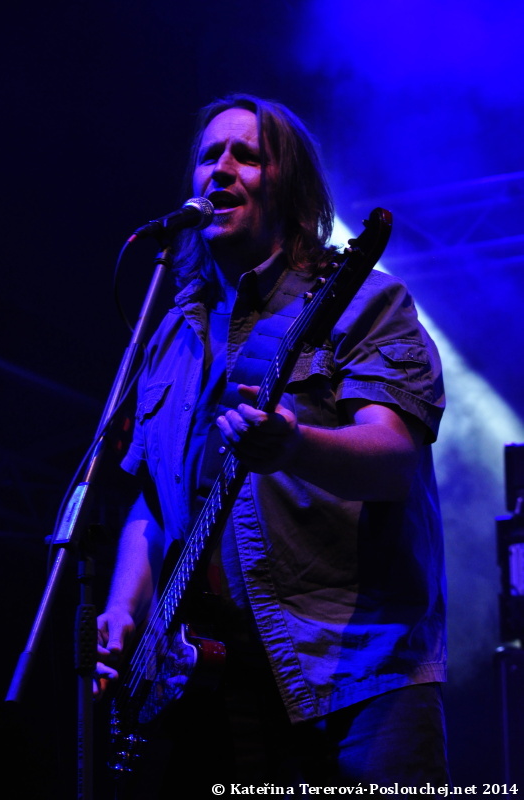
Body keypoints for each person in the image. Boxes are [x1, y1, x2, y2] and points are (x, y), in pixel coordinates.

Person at [95, 93, 450, 796]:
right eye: (209, 155)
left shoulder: (362, 302)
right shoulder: (170, 335)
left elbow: (393, 462)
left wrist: (293, 447)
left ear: (291, 188)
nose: (220, 169)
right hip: (213, 684)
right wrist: (124, 610)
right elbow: (153, 501)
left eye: (247, 156)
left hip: (352, 672)